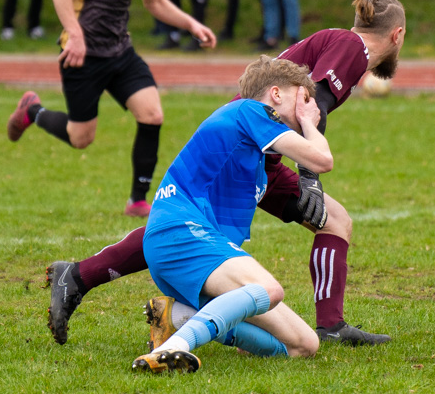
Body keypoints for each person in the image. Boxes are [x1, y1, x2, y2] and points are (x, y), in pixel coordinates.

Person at [45, 0, 406, 348]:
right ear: (397, 35)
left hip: (265, 157)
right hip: (244, 147)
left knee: (335, 221)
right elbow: (315, 106)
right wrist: (309, 177)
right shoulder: (352, 47)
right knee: (190, 228)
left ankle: (331, 326)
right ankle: (87, 280)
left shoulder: (337, 43)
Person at [5, 0, 217, 218]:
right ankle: (33, 112)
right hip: (83, 54)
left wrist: (192, 24)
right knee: (80, 138)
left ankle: (137, 200)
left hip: (120, 52)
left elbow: (155, 1)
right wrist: (74, 33)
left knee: (152, 114)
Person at [127, 56, 331, 373]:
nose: (309, 108)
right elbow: (321, 160)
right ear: (276, 95)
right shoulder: (251, 110)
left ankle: (177, 317)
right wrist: (309, 123)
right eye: (302, 99)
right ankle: (173, 348)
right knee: (269, 290)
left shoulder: (252, 156)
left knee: (304, 345)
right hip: (180, 232)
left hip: (192, 248)